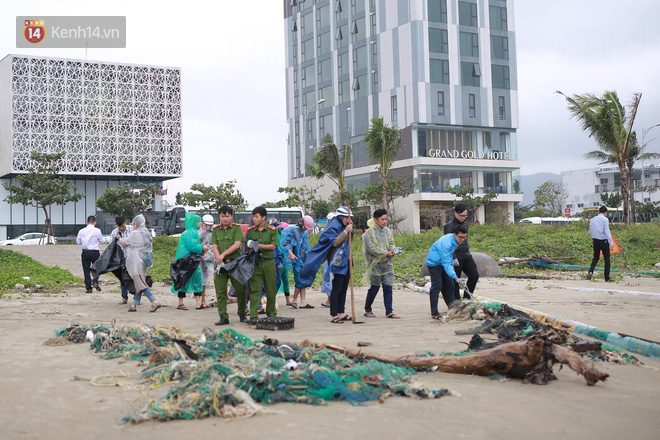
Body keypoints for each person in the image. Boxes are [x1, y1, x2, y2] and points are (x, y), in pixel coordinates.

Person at [300, 206, 353, 324]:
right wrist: (345, 232)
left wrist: (349, 230)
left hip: (346, 260)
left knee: (344, 288)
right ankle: (334, 314)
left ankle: (341, 312)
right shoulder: (333, 226)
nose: (347, 220)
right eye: (346, 217)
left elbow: (350, 241)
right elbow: (334, 242)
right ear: (340, 216)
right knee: (337, 288)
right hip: (336, 262)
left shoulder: (346, 226)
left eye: (349, 218)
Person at [211, 205, 246, 325]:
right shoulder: (215, 230)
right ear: (219, 217)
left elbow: (237, 245)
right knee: (220, 291)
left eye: (227, 216)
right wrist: (218, 258)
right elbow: (214, 245)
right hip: (221, 265)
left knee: (241, 289)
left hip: (234, 264)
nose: (225, 219)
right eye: (222, 216)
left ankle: (242, 313)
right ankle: (223, 317)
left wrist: (222, 255)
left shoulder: (236, 228)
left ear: (231, 216)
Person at [118, 214, 161, 312]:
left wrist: (120, 239)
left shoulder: (135, 233)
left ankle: (154, 302)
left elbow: (125, 243)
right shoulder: (146, 232)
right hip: (144, 262)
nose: (133, 226)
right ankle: (133, 305)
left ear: (137, 224)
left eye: (133, 224)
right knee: (139, 282)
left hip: (136, 262)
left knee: (140, 283)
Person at [426, 223, 469, 319]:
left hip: (443, 262)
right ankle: (434, 312)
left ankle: (453, 308)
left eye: (464, 237)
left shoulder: (454, 241)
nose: (462, 240)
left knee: (450, 285)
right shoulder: (446, 243)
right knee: (437, 286)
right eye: (461, 237)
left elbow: (448, 257)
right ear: (455, 234)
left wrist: (452, 261)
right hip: (434, 263)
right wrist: (456, 277)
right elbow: (446, 264)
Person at [244, 206, 279, 324]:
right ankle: (253, 315)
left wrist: (258, 245)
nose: (254, 219)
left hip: (268, 262)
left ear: (263, 217)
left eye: (257, 217)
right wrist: (250, 245)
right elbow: (247, 246)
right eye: (253, 217)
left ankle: (271, 313)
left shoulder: (272, 231)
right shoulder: (250, 231)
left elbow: (273, 246)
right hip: (256, 263)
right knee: (254, 289)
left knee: (270, 289)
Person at [362, 209, 399, 319]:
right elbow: (372, 249)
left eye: (386, 219)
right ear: (376, 220)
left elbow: (392, 243)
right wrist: (385, 253)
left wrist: (393, 250)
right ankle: (368, 309)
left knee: (388, 287)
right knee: (374, 288)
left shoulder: (388, 231)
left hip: (387, 265)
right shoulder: (369, 234)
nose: (384, 221)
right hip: (375, 265)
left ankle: (389, 311)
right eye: (382, 219)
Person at [171, 212, 209, 310]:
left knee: (183, 279)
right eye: (200, 222)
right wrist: (202, 248)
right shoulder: (192, 232)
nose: (200, 224)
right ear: (195, 222)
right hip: (189, 260)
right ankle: (197, 302)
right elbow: (193, 246)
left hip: (186, 260)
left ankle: (182, 303)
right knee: (196, 279)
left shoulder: (188, 232)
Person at [443, 203, 479, 299]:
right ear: (455, 213)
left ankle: (467, 298)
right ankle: (457, 301)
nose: (463, 218)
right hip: (456, 257)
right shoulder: (449, 226)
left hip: (466, 255)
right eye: (461, 215)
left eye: (465, 215)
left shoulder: (465, 223)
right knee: (455, 280)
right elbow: (447, 244)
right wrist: (453, 257)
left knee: (474, 276)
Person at [281, 215, 314, 308]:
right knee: (299, 280)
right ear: (302, 224)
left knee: (302, 280)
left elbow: (305, 246)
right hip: (296, 259)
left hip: (303, 259)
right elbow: (285, 243)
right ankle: (295, 300)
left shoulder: (304, 232)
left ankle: (303, 301)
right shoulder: (294, 230)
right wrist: (290, 254)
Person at [76, 215, 104, 293]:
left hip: (85, 252)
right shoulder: (97, 230)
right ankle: (95, 282)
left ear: (87, 222)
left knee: (86, 270)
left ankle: (88, 288)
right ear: (94, 222)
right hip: (95, 252)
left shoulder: (81, 231)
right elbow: (102, 241)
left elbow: (78, 242)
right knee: (96, 268)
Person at [110, 215, 133, 304]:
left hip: (132, 257)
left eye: (123, 226)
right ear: (116, 225)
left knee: (134, 277)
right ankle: (124, 297)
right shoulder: (114, 233)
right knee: (123, 278)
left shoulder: (132, 230)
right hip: (120, 258)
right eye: (119, 227)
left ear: (125, 222)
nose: (121, 228)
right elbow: (111, 246)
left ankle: (136, 296)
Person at [587, 206, 614, 282]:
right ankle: (607, 277)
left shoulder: (592, 220)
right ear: (605, 212)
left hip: (595, 240)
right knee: (607, 259)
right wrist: (611, 243)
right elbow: (607, 231)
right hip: (603, 241)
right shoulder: (605, 219)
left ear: (599, 212)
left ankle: (591, 271)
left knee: (596, 257)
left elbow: (590, 231)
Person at [198, 214, 215, 309]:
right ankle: (202, 299)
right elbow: (198, 240)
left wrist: (213, 229)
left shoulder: (213, 232)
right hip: (202, 258)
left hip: (212, 257)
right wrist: (203, 230)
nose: (208, 226)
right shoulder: (200, 232)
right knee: (202, 279)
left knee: (216, 276)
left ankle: (224, 296)